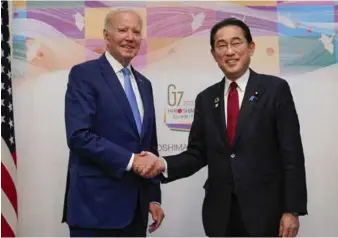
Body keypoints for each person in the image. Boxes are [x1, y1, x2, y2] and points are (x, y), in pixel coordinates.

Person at [140, 18, 308, 237]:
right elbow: (197, 154)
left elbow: (292, 154)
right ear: (214, 54)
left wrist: (291, 209)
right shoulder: (206, 99)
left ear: (251, 47)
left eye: (236, 43)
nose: (229, 51)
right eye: (221, 45)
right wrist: (162, 163)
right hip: (220, 215)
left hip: (266, 213)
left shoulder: (275, 89)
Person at [62, 9, 164, 237]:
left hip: (136, 213)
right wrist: (130, 161)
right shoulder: (84, 75)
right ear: (106, 35)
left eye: (136, 32)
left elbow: (149, 145)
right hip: (95, 211)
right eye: (123, 30)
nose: (130, 37)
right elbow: (79, 136)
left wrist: (153, 197)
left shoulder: (144, 84)